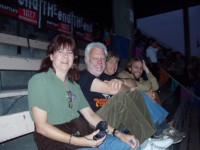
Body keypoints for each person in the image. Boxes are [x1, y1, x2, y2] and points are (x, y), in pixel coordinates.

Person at [28, 34, 140, 150]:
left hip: (82, 132)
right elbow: (41, 126)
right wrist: (80, 141)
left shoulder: (74, 86)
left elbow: (91, 115)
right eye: (60, 51)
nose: (66, 56)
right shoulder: (40, 80)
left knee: (129, 144)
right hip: (56, 141)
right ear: (51, 56)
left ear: (74, 58)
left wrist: (118, 134)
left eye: (70, 52)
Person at [79, 42, 174, 149]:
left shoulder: (105, 77)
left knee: (135, 94)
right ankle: (146, 144)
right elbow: (116, 91)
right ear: (87, 60)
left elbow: (131, 85)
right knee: (121, 98)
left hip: (111, 120)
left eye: (102, 58)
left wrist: (123, 84)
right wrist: (126, 88)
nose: (100, 62)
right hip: (94, 123)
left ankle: (152, 136)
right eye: (95, 58)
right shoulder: (83, 76)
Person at [117, 57, 185, 143]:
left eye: (141, 68)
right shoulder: (123, 75)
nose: (139, 70)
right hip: (127, 111)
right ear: (130, 67)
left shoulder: (141, 80)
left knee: (151, 94)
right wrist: (148, 90)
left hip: (139, 108)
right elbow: (138, 87)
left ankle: (164, 128)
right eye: (136, 67)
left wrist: (147, 70)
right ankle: (160, 131)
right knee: (143, 95)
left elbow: (155, 86)